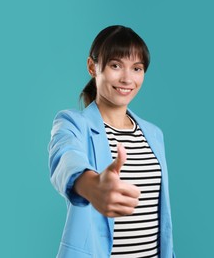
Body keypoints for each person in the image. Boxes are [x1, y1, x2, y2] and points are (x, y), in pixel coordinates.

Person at [48, 25, 175, 258]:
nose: (127, 78)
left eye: (137, 68)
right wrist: (92, 186)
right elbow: (65, 158)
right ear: (92, 67)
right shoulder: (73, 123)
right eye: (115, 65)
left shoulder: (153, 134)